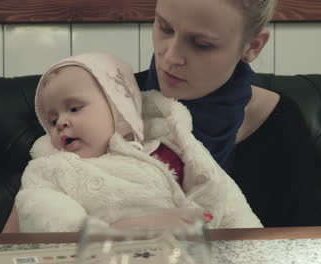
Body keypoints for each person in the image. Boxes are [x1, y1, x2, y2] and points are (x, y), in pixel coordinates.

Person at [13, 52, 262, 232]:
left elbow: (223, 197)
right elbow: (49, 224)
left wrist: (253, 248)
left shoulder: (171, 146)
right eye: (52, 118)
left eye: (74, 108)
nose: (61, 123)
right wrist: (122, 231)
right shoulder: (49, 170)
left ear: (119, 108)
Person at [141, 0, 321, 227]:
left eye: (202, 44)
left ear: (252, 46)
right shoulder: (108, 99)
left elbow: (297, 247)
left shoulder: (280, 123)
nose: (170, 57)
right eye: (164, 28)